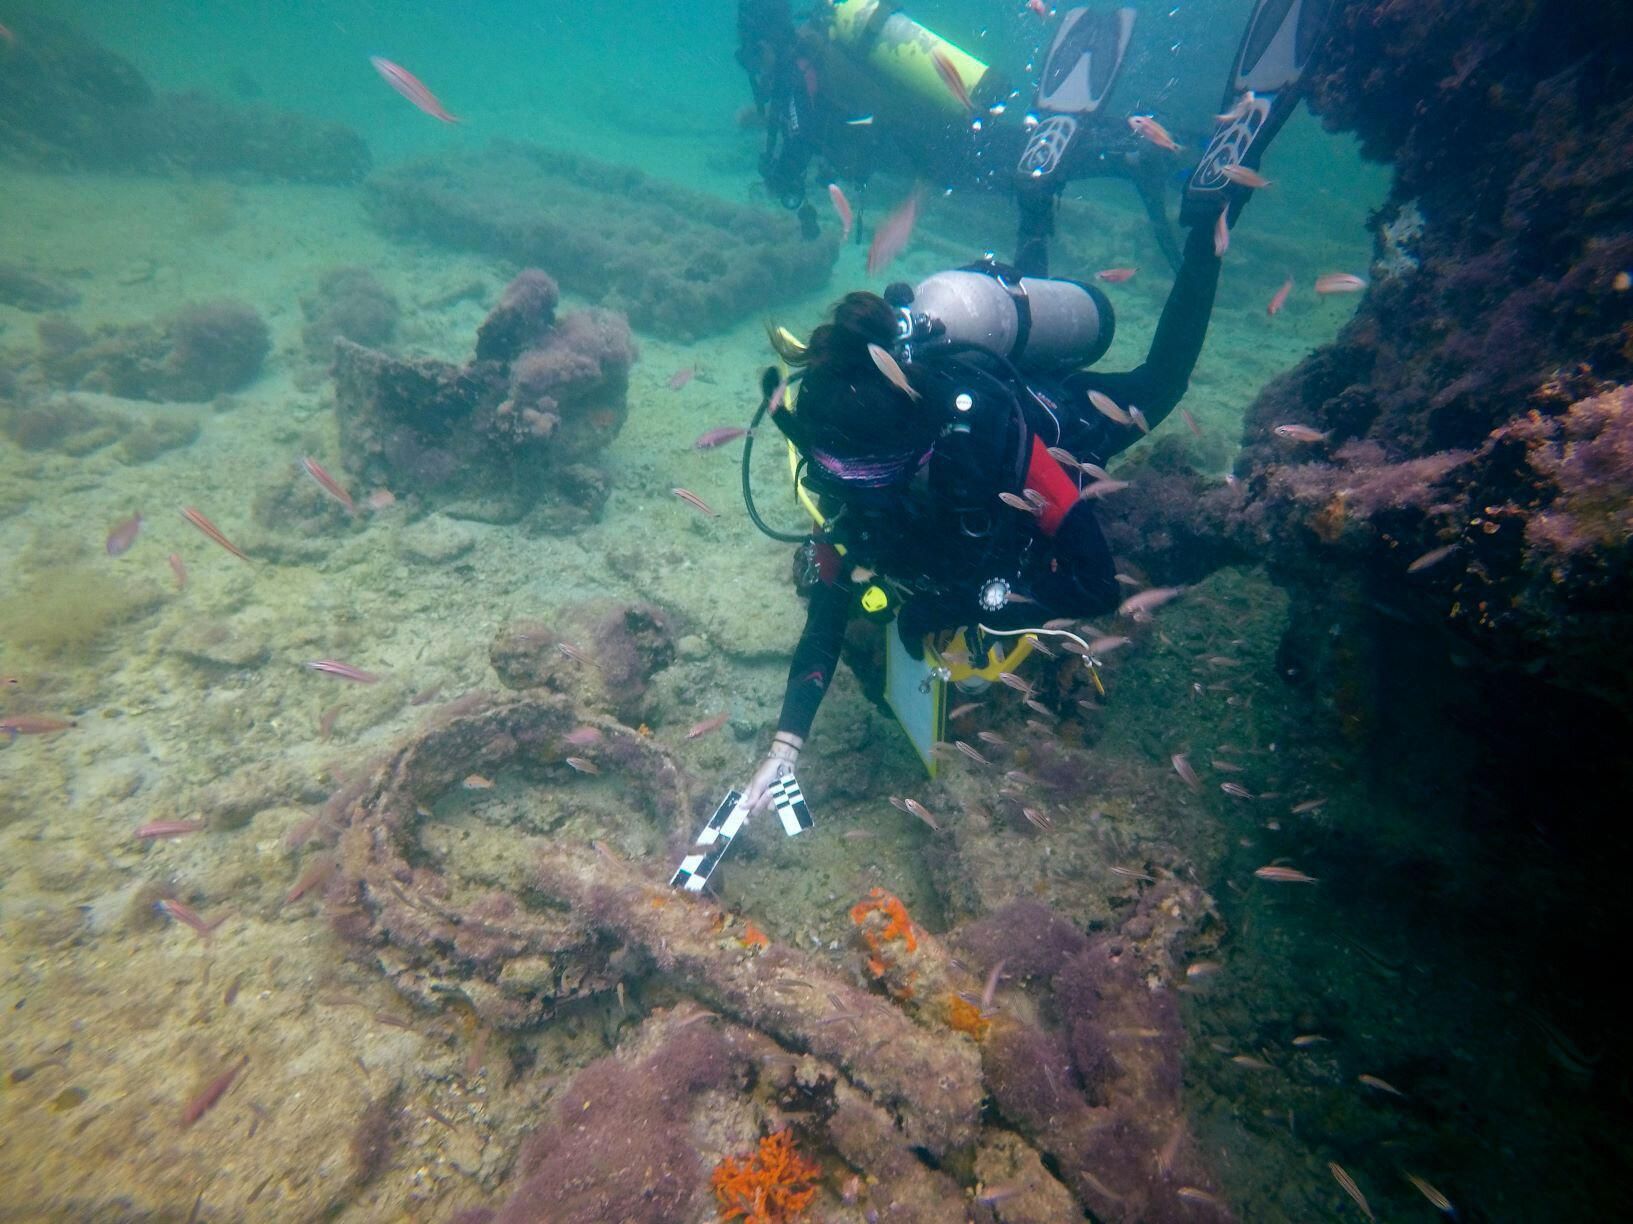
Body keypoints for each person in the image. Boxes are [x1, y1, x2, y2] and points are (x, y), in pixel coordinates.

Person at [730, 0, 1334, 826]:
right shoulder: (843, 456)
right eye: (836, 472)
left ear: (917, 437)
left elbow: (1087, 584)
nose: (852, 491)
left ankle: (1208, 208)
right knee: (1012, 342)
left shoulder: (995, 447)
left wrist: (969, 604)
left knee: (1161, 380)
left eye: (868, 472)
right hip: (981, 392)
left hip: (1055, 418)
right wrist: (784, 747)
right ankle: (1038, 185)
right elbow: (832, 607)